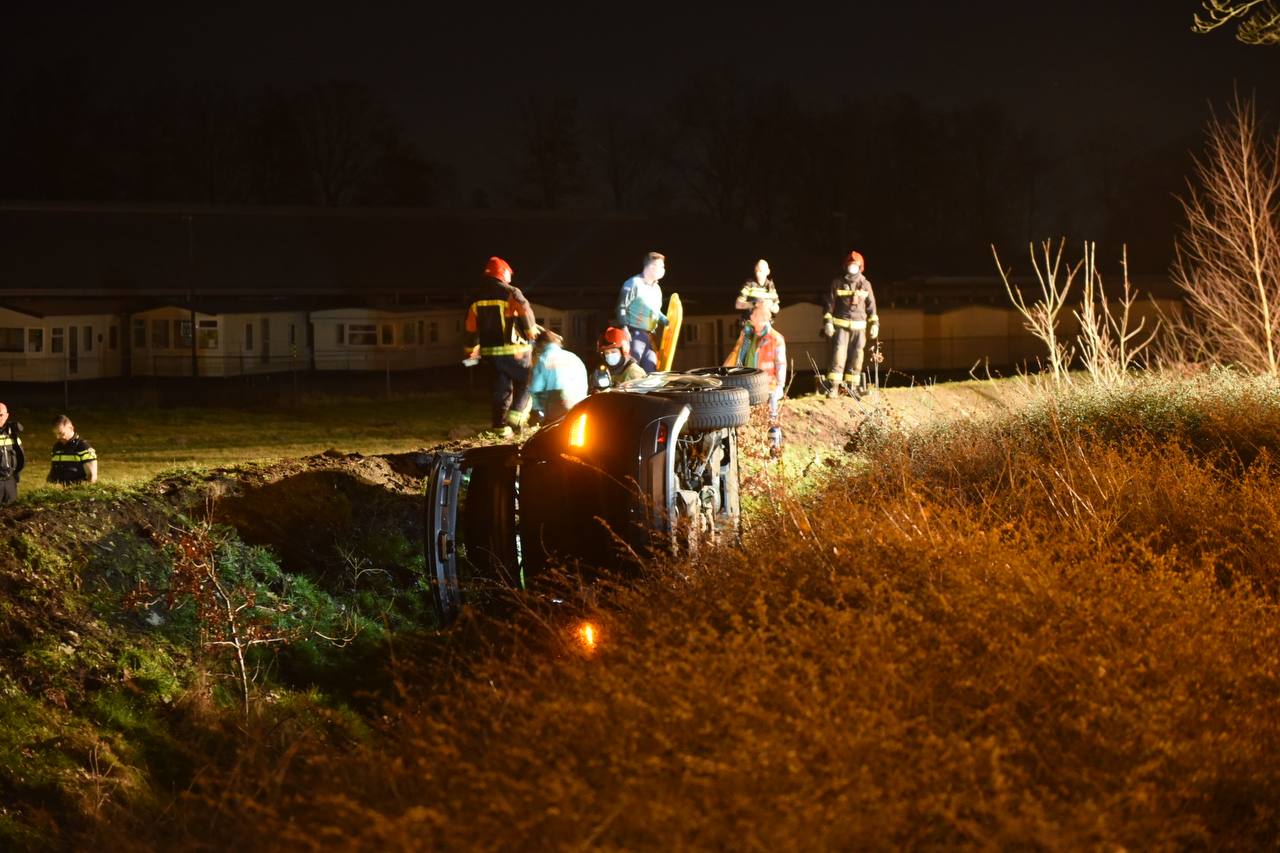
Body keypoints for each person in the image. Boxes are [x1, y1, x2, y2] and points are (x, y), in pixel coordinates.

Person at [465, 256, 538, 436]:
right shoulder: (512, 292)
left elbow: (470, 328)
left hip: (492, 355)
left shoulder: (476, 298)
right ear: (504, 274)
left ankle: (499, 428)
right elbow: (524, 310)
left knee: (500, 390)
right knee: (526, 381)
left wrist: (469, 349)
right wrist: (531, 332)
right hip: (516, 352)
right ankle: (517, 417)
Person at [724, 300, 788, 451]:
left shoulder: (776, 338)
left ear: (764, 318)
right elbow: (738, 356)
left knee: (772, 418)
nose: (752, 318)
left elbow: (781, 364)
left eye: (755, 316)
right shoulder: (747, 336)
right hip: (748, 383)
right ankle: (747, 449)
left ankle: (774, 449)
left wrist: (780, 385)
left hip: (769, 385)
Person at [822, 250, 879, 399]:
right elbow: (829, 305)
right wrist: (828, 323)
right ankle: (834, 387)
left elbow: (871, 306)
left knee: (857, 357)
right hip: (841, 327)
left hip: (859, 329)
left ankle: (852, 388)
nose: (852, 267)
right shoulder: (838, 283)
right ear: (845, 266)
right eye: (850, 264)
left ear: (860, 266)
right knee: (838, 355)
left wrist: (874, 324)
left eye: (855, 264)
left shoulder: (865, 285)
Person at [614, 251, 667, 374]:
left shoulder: (656, 289)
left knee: (651, 368)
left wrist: (666, 320)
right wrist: (624, 328)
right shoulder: (633, 284)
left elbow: (655, 311)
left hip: (651, 336)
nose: (663, 270)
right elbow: (621, 306)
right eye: (661, 266)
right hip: (635, 334)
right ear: (651, 266)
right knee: (633, 368)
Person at [527, 330, 588, 424]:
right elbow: (583, 382)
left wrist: (537, 409)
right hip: (578, 403)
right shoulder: (573, 357)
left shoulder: (544, 358)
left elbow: (536, 387)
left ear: (542, 344)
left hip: (556, 403)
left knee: (552, 432)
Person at [590, 326, 646, 391]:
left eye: (613, 351)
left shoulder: (634, 372)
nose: (610, 355)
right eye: (607, 353)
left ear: (623, 351)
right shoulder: (605, 372)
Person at [49, 415, 97, 486]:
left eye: (61, 433)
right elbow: (53, 472)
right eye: (55, 434)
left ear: (71, 428)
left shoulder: (83, 448)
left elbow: (92, 478)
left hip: (77, 494)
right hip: (59, 494)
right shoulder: (57, 447)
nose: (58, 437)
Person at [0, 402, 26, 505]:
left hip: (10, 481)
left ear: (7, 415)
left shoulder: (12, 433)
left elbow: (20, 456)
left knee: (11, 511)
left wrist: (16, 475)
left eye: (1, 415)